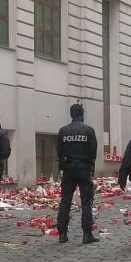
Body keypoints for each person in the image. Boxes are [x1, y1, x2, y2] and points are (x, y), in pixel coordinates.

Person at [56, 103, 99, 244]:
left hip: (68, 168)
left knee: (65, 200)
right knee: (86, 201)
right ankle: (87, 234)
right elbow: (93, 152)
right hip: (83, 168)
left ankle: (62, 234)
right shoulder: (88, 130)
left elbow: (59, 151)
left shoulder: (63, 131)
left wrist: (64, 164)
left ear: (71, 114)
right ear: (82, 114)